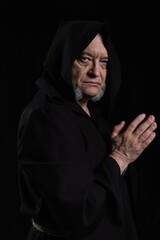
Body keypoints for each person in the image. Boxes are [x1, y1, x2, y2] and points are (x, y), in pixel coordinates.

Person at [17, 20, 157, 240]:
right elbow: (78, 213)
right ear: (64, 59)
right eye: (85, 59)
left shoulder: (91, 114)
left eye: (103, 62)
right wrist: (120, 157)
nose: (95, 72)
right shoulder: (47, 118)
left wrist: (115, 153)